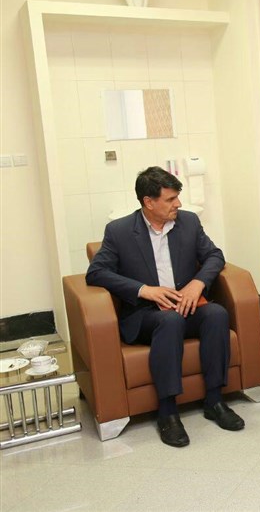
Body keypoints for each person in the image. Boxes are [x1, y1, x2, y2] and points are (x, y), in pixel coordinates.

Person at [86, 166, 243, 448]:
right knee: (170, 322)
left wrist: (197, 284)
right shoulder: (120, 231)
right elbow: (96, 273)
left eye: (177, 197)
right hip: (146, 314)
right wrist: (144, 290)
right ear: (149, 202)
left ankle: (214, 400)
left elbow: (214, 256)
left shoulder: (188, 222)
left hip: (185, 305)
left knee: (216, 314)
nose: (178, 204)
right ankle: (168, 412)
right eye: (171, 199)